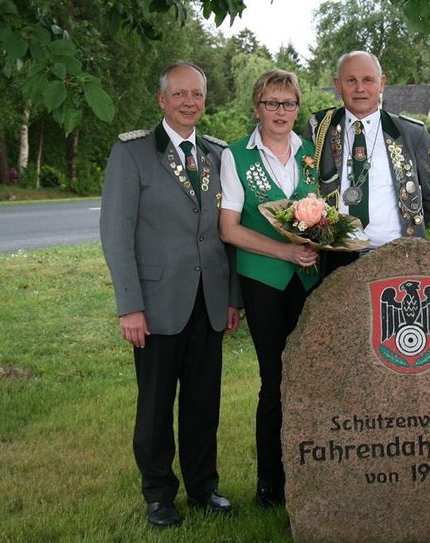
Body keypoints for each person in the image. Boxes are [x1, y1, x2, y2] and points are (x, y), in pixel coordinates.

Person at [100, 62, 241, 528]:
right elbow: (116, 234)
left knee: (203, 403)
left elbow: (229, 230)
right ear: (162, 99)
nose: (188, 102)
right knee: (156, 406)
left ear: (205, 99)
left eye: (196, 94)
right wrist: (129, 306)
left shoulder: (219, 155)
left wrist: (233, 297)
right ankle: (159, 494)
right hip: (156, 304)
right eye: (179, 94)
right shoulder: (133, 153)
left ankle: (203, 487)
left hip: (209, 300)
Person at [218, 69, 320, 508]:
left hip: (309, 280)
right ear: (257, 107)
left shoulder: (312, 153)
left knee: (310, 376)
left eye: (289, 103)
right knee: (274, 378)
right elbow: (229, 229)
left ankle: (311, 468)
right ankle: (270, 479)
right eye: (272, 103)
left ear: (297, 108)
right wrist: (284, 252)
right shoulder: (235, 156)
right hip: (263, 280)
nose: (281, 111)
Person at [304, 51, 430, 274]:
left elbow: (429, 199)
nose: (360, 88)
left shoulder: (411, 133)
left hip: (396, 255)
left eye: (368, 80)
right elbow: (306, 186)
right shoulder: (319, 128)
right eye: (351, 80)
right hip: (334, 257)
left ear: (382, 83)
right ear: (337, 84)